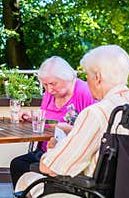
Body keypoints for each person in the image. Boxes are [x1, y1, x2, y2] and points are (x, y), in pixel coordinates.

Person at [15, 45, 129, 197]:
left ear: (97, 77)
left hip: (87, 191)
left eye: (87, 75)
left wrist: (53, 149)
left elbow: (50, 167)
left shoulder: (96, 113)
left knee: (27, 178)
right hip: (123, 190)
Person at [10, 56, 96, 188]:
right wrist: (32, 119)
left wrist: (67, 128)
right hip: (46, 150)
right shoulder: (50, 94)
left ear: (68, 77)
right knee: (18, 164)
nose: (49, 90)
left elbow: (92, 130)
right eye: (45, 85)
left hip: (69, 154)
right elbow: (47, 119)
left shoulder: (85, 93)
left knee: (28, 167)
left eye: (53, 84)